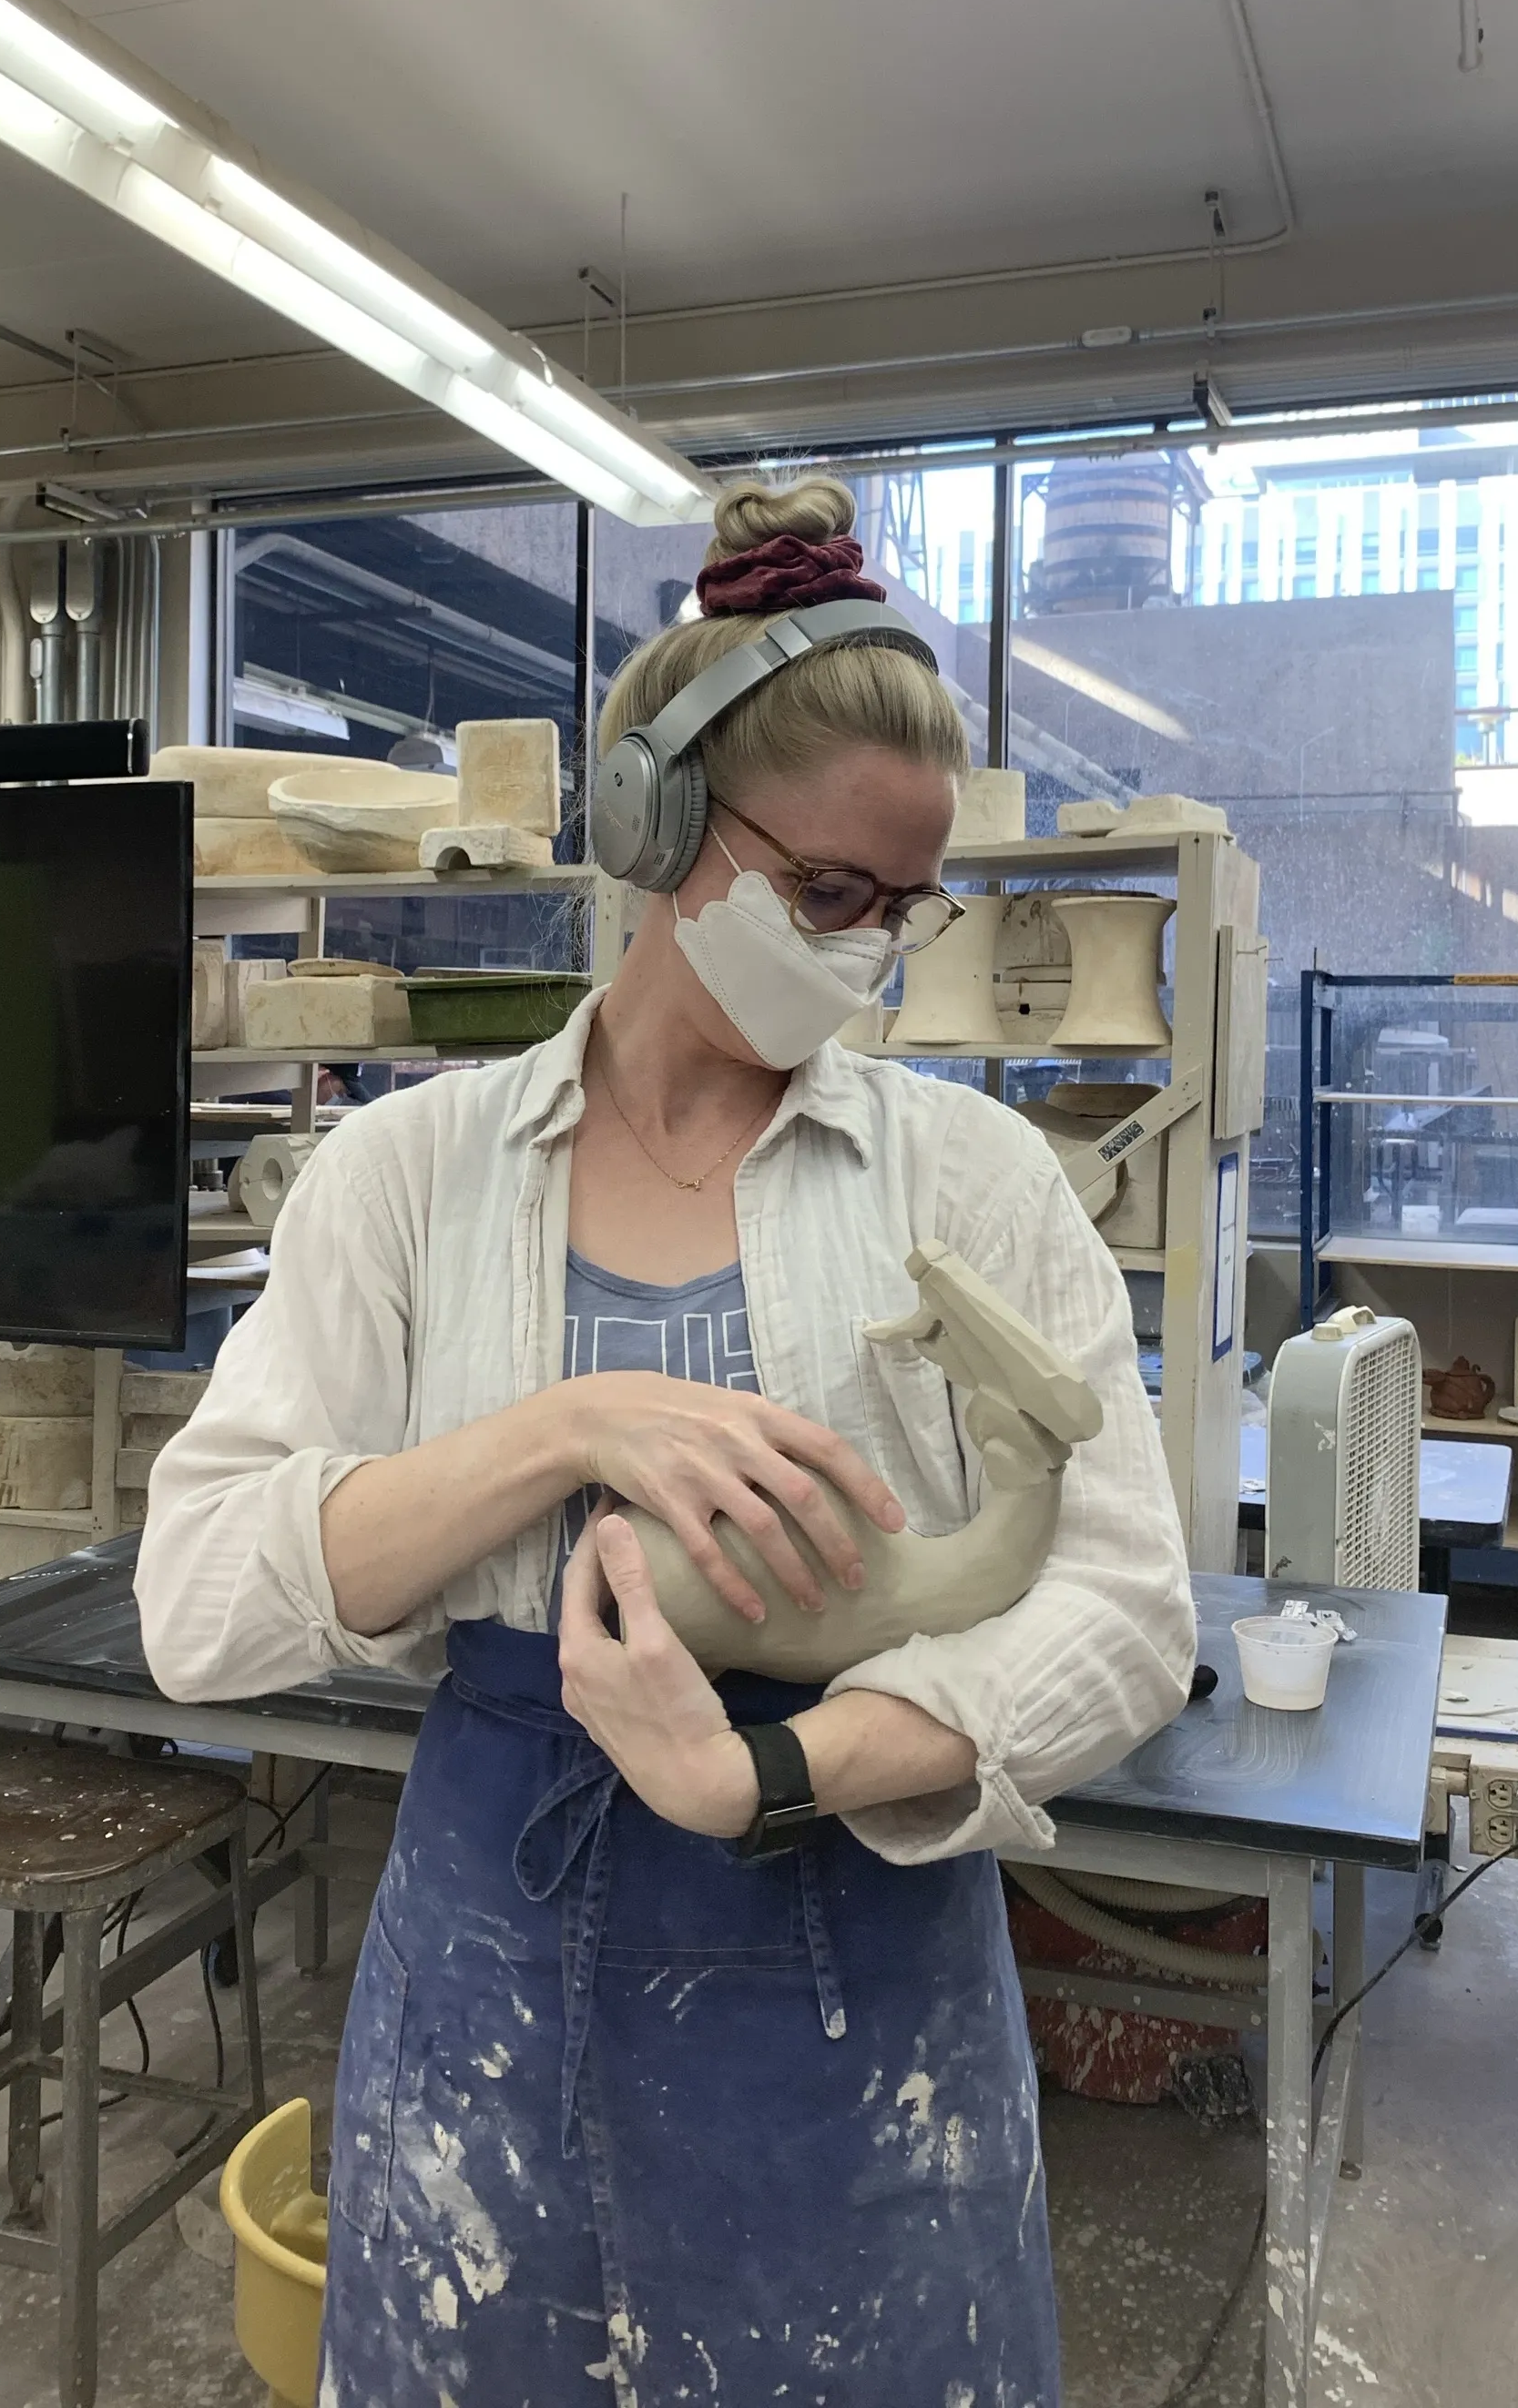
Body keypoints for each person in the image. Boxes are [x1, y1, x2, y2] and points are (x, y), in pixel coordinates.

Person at [136, 473, 1196, 2408]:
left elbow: (1126, 1608)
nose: (871, 955)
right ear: (656, 828)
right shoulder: (410, 1174)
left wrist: (766, 1774)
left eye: (907, 909)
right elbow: (202, 1607)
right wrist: (562, 1427)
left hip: (860, 1970)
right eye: (830, 897)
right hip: (493, 1963)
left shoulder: (971, 1179)